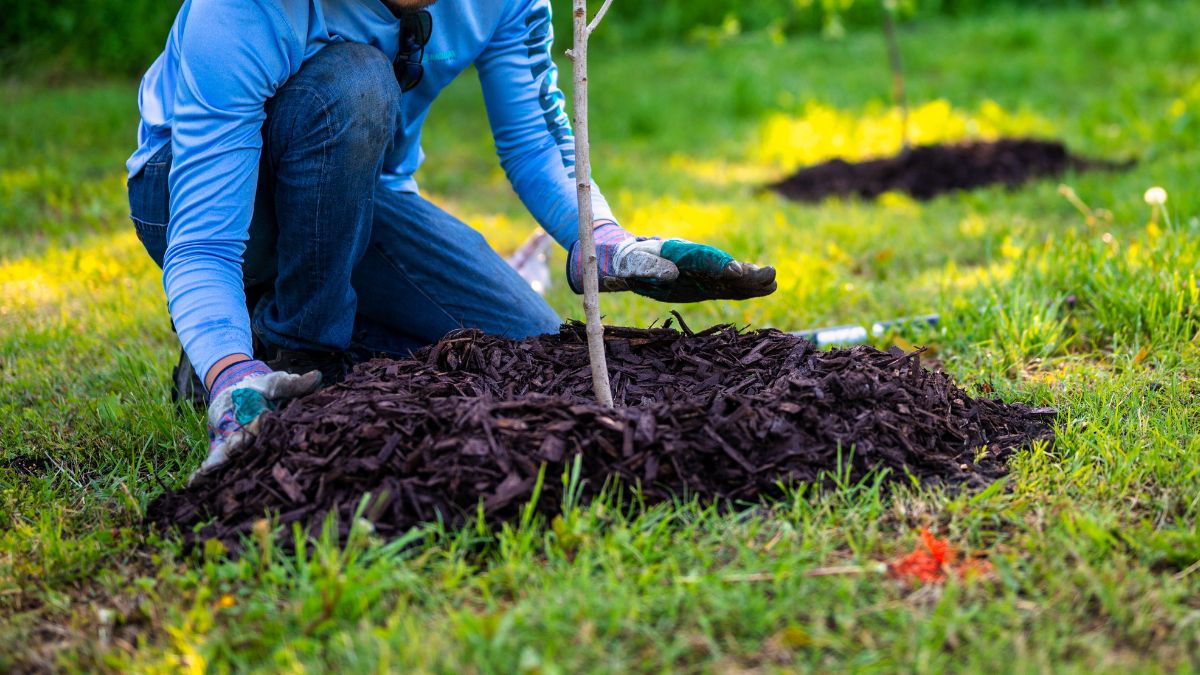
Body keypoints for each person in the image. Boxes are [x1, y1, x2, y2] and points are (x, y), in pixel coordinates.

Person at [126, 0, 777, 479]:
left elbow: (535, 141)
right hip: (189, 192)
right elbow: (204, 242)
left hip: (357, 196)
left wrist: (603, 239)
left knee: (525, 347)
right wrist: (229, 369)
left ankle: (257, 330)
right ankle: (275, 356)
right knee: (354, 82)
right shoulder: (245, 11)